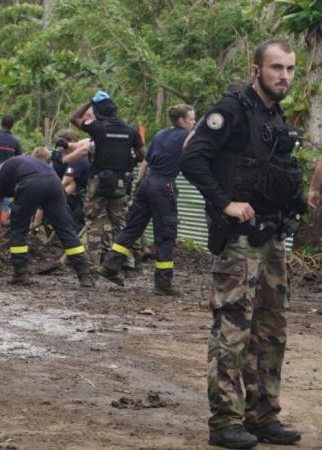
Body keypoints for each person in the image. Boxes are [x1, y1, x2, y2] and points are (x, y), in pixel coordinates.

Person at [181, 40, 303, 449]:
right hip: (239, 243)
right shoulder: (231, 110)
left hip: (272, 241)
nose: (283, 76)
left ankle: (263, 415)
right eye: (276, 68)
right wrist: (224, 203)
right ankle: (225, 421)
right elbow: (193, 157)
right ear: (256, 70)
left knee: (272, 331)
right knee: (232, 330)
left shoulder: (275, 113)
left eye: (289, 69)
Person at [99, 104, 195, 293]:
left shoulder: (160, 134)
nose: (194, 122)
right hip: (164, 186)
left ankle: (109, 265)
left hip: (146, 183)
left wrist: (140, 184)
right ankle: (163, 284)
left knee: (132, 228)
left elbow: (146, 161)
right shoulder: (188, 136)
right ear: (182, 120)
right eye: (192, 119)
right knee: (165, 234)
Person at [0, 156, 93, 286]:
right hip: (54, 181)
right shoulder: (13, 166)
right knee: (65, 229)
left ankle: (20, 274)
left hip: (31, 182)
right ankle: (84, 274)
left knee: (18, 229)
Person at [70, 91, 146, 273]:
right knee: (121, 223)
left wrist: (89, 101)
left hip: (98, 182)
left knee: (94, 221)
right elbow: (144, 155)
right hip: (121, 183)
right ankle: (125, 264)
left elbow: (74, 118)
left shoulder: (97, 128)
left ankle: (92, 266)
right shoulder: (131, 131)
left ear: (97, 112)